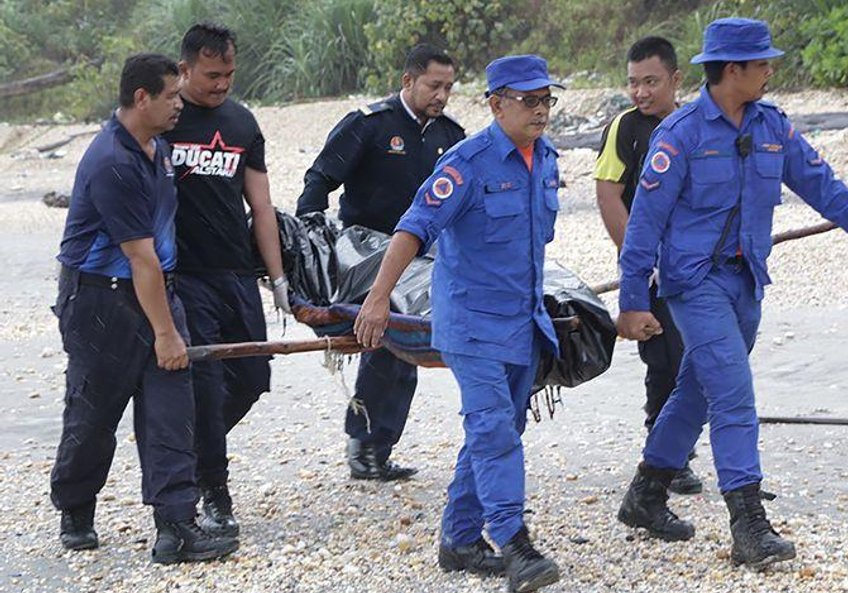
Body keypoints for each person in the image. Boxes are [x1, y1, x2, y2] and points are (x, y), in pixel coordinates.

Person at [616, 18, 848, 569]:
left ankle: (646, 492)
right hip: (694, 283)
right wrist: (633, 301)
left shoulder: (773, 127)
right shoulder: (679, 135)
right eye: (761, 63)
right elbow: (643, 225)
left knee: (698, 391)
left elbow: (826, 190)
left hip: (746, 280)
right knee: (734, 393)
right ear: (732, 70)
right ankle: (749, 524)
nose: (770, 71)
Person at [354, 54, 564, 593]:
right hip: (471, 323)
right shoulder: (466, 164)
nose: (539, 111)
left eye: (546, 100)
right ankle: (514, 542)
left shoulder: (547, 160)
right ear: (496, 105)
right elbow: (412, 229)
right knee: (493, 429)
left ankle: (459, 540)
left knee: (500, 429)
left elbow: (535, 248)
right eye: (527, 101)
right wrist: (378, 299)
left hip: (523, 320)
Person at [51, 53, 237, 563]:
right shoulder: (112, 161)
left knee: (171, 410)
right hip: (100, 298)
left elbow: (157, 257)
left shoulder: (158, 149)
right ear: (141, 98)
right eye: (172, 96)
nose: (181, 104)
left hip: (158, 287)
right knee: (95, 411)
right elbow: (138, 257)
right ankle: (76, 508)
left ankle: (175, 526)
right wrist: (166, 333)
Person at [296, 44, 465, 481]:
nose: (441, 95)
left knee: (409, 347)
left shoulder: (451, 136)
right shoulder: (369, 125)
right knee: (390, 339)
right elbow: (319, 181)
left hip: (423, 257)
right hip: (367, 251)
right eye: (434, 85)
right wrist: (308, 247)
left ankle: (378, 447)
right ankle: (365, 445)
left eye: (448, 87)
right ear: (408, 81)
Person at [163, 23, 290, 539]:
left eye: (229, 74)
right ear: (186, 68)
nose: (222, 84)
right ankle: (214, 488)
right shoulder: (167, 119)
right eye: (212, 75)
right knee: (209, 383)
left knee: (254, 377)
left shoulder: (241, 123)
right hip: (185, 275)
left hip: (235, 272)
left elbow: (260, 204)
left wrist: (278, 278)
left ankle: (191, 453)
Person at [593, 37, 703, 497]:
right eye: (634, 83)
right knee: (663, 360)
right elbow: (607, 194)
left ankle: (679, 449)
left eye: (650, 82)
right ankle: (666, 456)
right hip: (652, 271)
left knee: (699, 358)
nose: (640, 92)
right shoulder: (624, 128)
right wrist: (639, 262)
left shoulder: (699, 124)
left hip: (698, 268)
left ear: (676, 80)